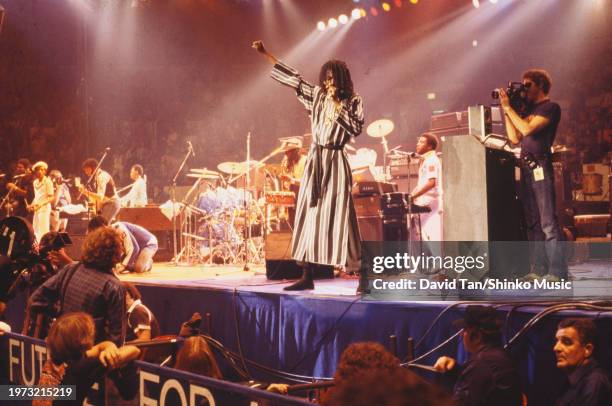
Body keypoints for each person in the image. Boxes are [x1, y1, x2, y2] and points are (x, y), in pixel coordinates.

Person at [253, 40, 364, 291]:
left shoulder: (353, 101)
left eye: (332, 78)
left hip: (335, 160)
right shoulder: (317, 96)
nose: (328, 83)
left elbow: (356, 127)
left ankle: (361, 273)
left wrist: (338, 107)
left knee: (342, 217)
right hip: (315, 160)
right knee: (307, 215)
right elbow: (294, 80)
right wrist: (266, 54)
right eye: (325, 78)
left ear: (341, 79)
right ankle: (306, 274)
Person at [500, 69, 567, 281]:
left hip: (540, 163)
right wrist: (507, 111)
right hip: (526, 165)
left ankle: (557, 271)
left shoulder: (550, 107)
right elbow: (514, 138)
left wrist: (509, 108)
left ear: (540, 85)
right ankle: (538, 270)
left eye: (527, 85)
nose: (524, 89)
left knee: (547, 221)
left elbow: (528, 130)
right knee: (533, 222)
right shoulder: (527, 109)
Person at [29, 226, 126, 344]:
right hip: (90, 354)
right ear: (116, 253)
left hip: (63, 346)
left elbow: (35, 300)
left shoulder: (70, 269)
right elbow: (116, 340)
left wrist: (63, 315)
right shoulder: (114, 287)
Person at [35, 312, 139, 406]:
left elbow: (98, 348)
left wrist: (109, 346)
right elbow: (134, 350)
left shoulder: (59, 359)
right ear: (80, 340)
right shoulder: (81, 367)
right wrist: (112, 353)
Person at [433, 305, 522, 406]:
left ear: (476, 336)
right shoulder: (501, 357)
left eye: (465, 330)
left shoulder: (481, 365)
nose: (461, 334)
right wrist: (455, 370)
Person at [554, 318, 611, 406]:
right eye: (557, 341)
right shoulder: (572, 381)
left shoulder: (595, 382)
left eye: (566, 342)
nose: (556, 348)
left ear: (587, 349)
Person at [88, 215, 158, 274]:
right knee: (123, 264)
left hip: (148, 243)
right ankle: (136, 261)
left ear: (103, 227)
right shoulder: (106, 235)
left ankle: (148, 263)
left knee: (138, 268)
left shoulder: (119, 228)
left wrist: (123, 265)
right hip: (136, 247)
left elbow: (134, 248)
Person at [410, 133, 443, 241]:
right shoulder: (426, 160)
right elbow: (424, 182)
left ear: (429, 146)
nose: (417, 144)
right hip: (425, 201)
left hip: (430, 203)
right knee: (421, 236)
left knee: (430, 238)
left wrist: (414, 195)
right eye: (418, 141)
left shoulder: (431, 160)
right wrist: (413, 194)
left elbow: (432, 183)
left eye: (421, 142)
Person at [78, 158, 121, 222]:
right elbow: (98, 198)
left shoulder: (102, 176)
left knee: (101, 226)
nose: (86, 172)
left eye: (87, 170)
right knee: (100, 226)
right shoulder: (97, 177)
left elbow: (100, 197)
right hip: (106, 204)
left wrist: (86, 192)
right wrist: (86, 193)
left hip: (111, 203)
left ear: (93, 168)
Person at [28, 161, 54, 242]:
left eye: (42, 170)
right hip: (37, 209)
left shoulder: (48, 182)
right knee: (35, 229)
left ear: (45, 171)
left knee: (43, 230)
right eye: (38, 170)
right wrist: (31, 205)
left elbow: (51, 197)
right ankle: (36, 248)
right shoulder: (35, 182)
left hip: (44, 208)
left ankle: (44, 248)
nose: (40, 171)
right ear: (35, 171)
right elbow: (37, 197)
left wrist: (41, 204)